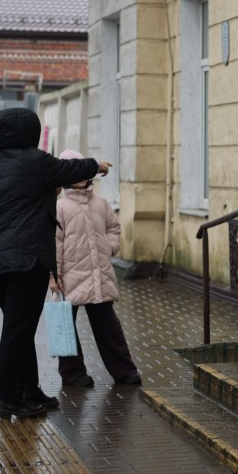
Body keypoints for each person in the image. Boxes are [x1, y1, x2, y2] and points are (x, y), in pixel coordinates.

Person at [0, 108, 111, 420]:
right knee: (17, 331)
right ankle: (8, 398)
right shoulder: (35, 161)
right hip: (25, 260)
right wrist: (97, 165)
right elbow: (69, 168)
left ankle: (28, 389)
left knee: (19, 328)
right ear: (30, 131)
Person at [53, 150, 141, 387]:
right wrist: (54, 274)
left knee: (108, 325)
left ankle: (124, 371)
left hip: (98, 273)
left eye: (83, 170)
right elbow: (54, 242)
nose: (81, 177)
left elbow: (113, 228)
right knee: (65, 325)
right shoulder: (60, 207)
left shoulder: (100, 203)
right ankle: (73, 373)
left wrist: (109, 247)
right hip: (68, 276)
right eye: (75, 171)